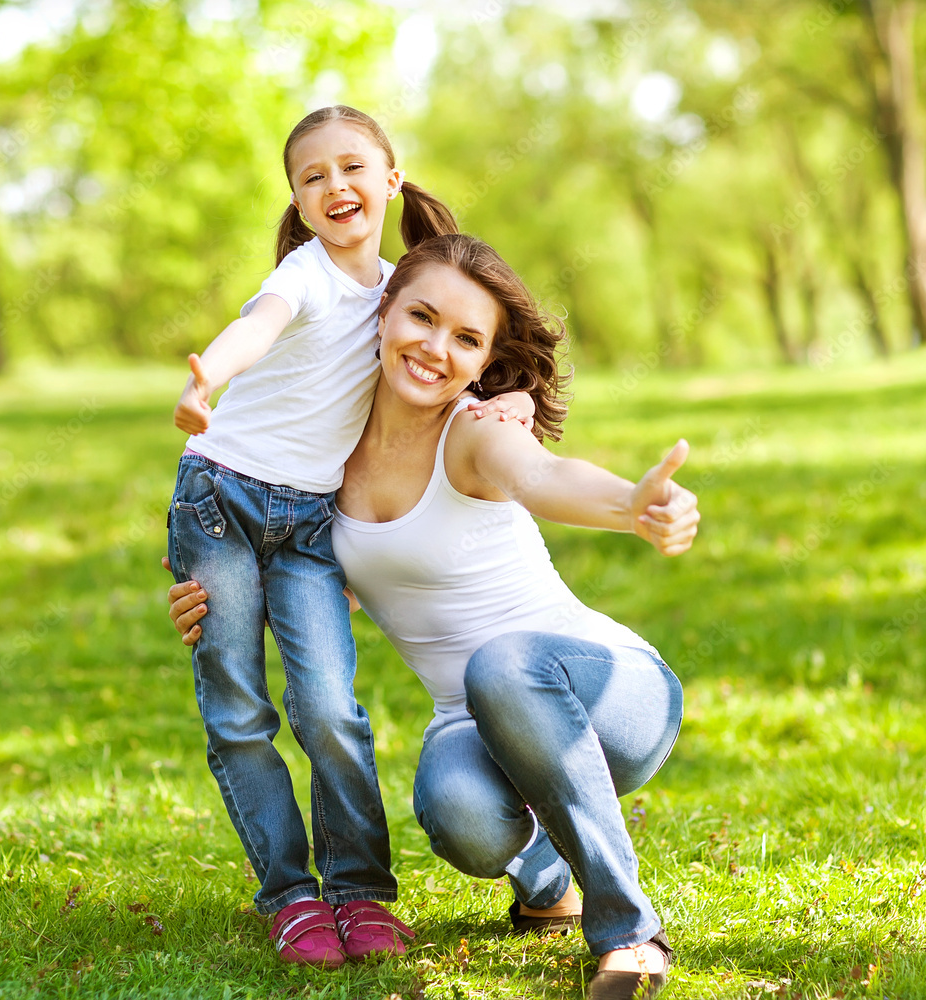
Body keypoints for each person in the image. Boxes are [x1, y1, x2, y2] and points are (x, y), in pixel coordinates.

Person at [168, 233, 699, 999]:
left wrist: (631, 506)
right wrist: (206, 595)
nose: (435, 348)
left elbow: (545, 477)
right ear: (382, 313)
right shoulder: (321, 467)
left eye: (466, 339)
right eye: (421, 317)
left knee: (504, 664)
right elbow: (285, 567)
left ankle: (630, 933)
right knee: (455, 814)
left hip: (607, 692)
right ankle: (548, 882)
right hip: (476, 726)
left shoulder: (479, 434)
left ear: (484, 363)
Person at [166, 108, 531, 969]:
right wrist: (207, 378)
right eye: (312, 176)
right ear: (296, 198)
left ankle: (359, 891)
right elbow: (258, 323)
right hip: (221, 496)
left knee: (330, 705)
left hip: (309, 524)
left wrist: (508, 403)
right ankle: (291, 898)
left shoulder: (401, 293)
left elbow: (454, 362)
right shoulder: (305, 273)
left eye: (353, 167)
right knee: (239, 710)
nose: (336, 187)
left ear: (392, 179)